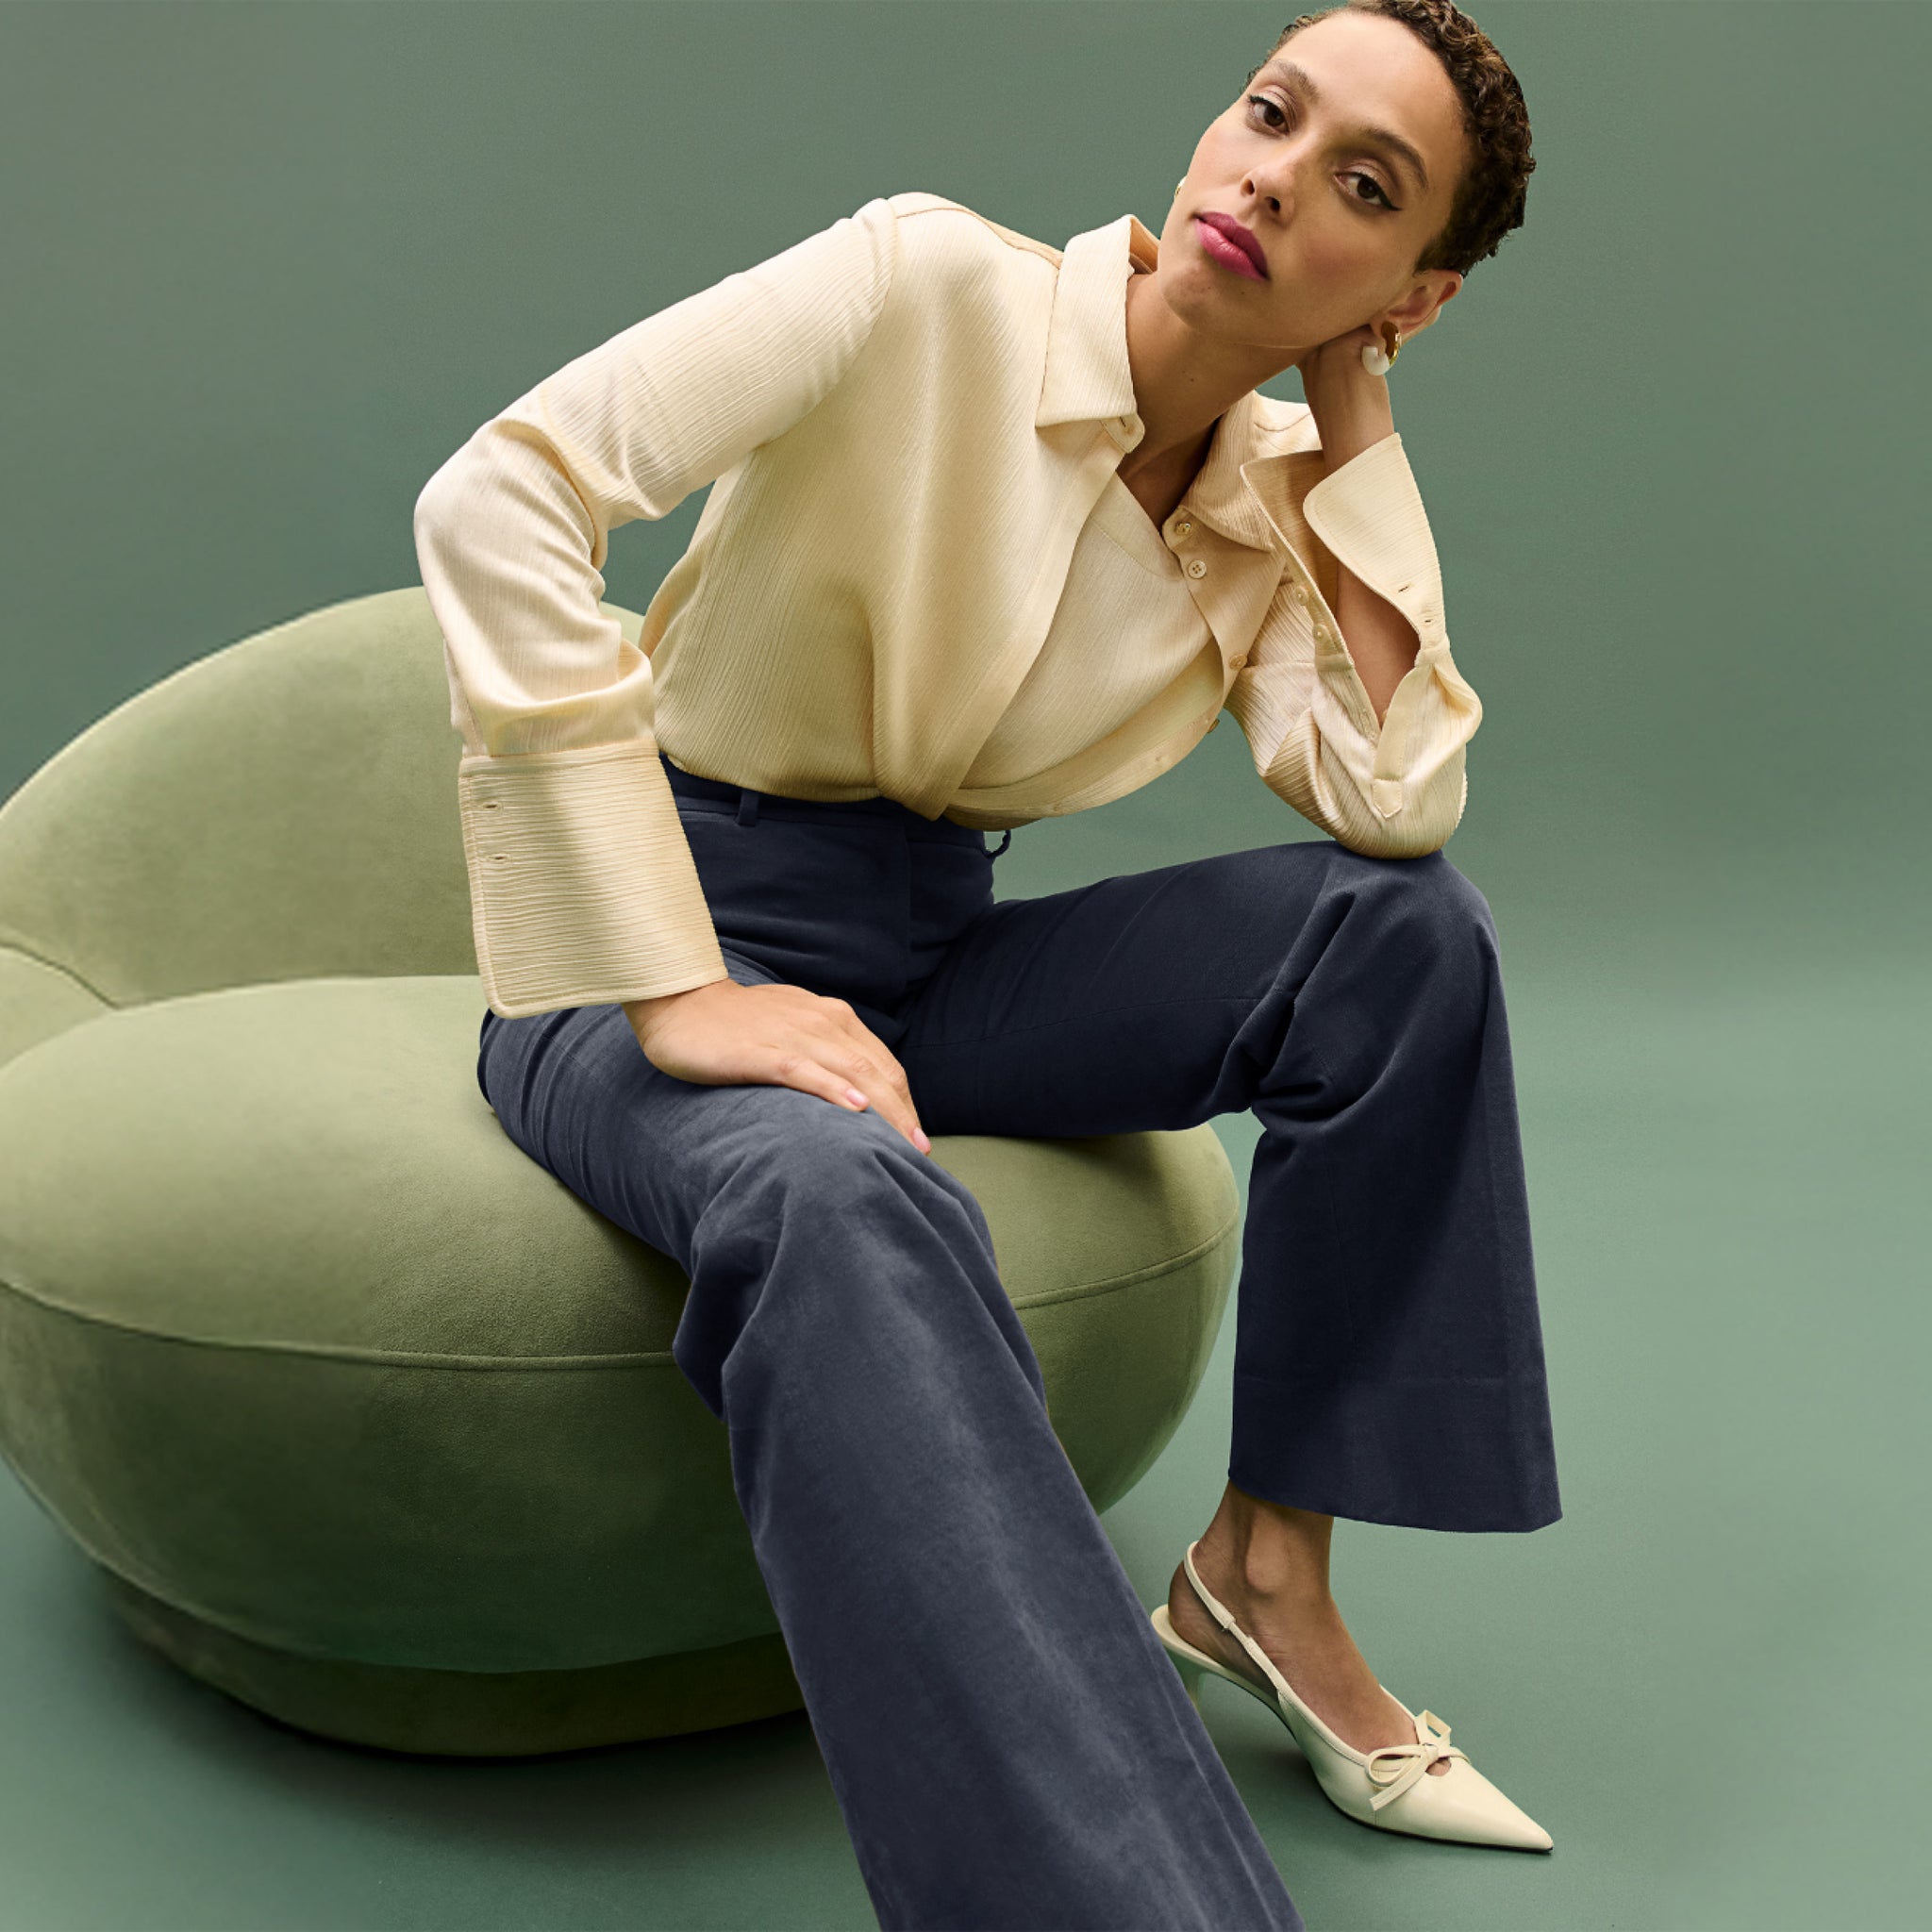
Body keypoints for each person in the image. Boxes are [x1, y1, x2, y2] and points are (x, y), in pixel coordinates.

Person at [411, 1, 1557, 1923]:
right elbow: (497, 495)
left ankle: (1267, 1576)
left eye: (1361, 185)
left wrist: (1346, 418)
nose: (1274, 175)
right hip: (636, 961)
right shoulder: (923, 280)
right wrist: (672, 978)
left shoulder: (1273, 503)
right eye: (1270, 112)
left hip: (925, 960)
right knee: (847, 1199)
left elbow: (1396, 799)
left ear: (1411, 289)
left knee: (1406, 944)